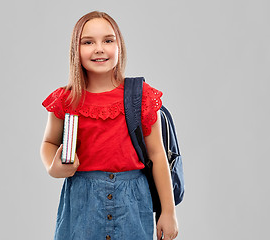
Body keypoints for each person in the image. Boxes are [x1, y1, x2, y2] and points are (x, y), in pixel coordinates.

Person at [40, 11, 178, 240]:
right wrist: (54, 167)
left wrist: (168, 211)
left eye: (108, 40)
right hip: (82, 205)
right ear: (76, 49)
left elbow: (157, 154)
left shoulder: (140, 96)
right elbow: (49, 142)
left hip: (133, 204)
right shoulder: (66, 99)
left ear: (119, 46)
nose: (99, 48)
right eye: (88, 42)